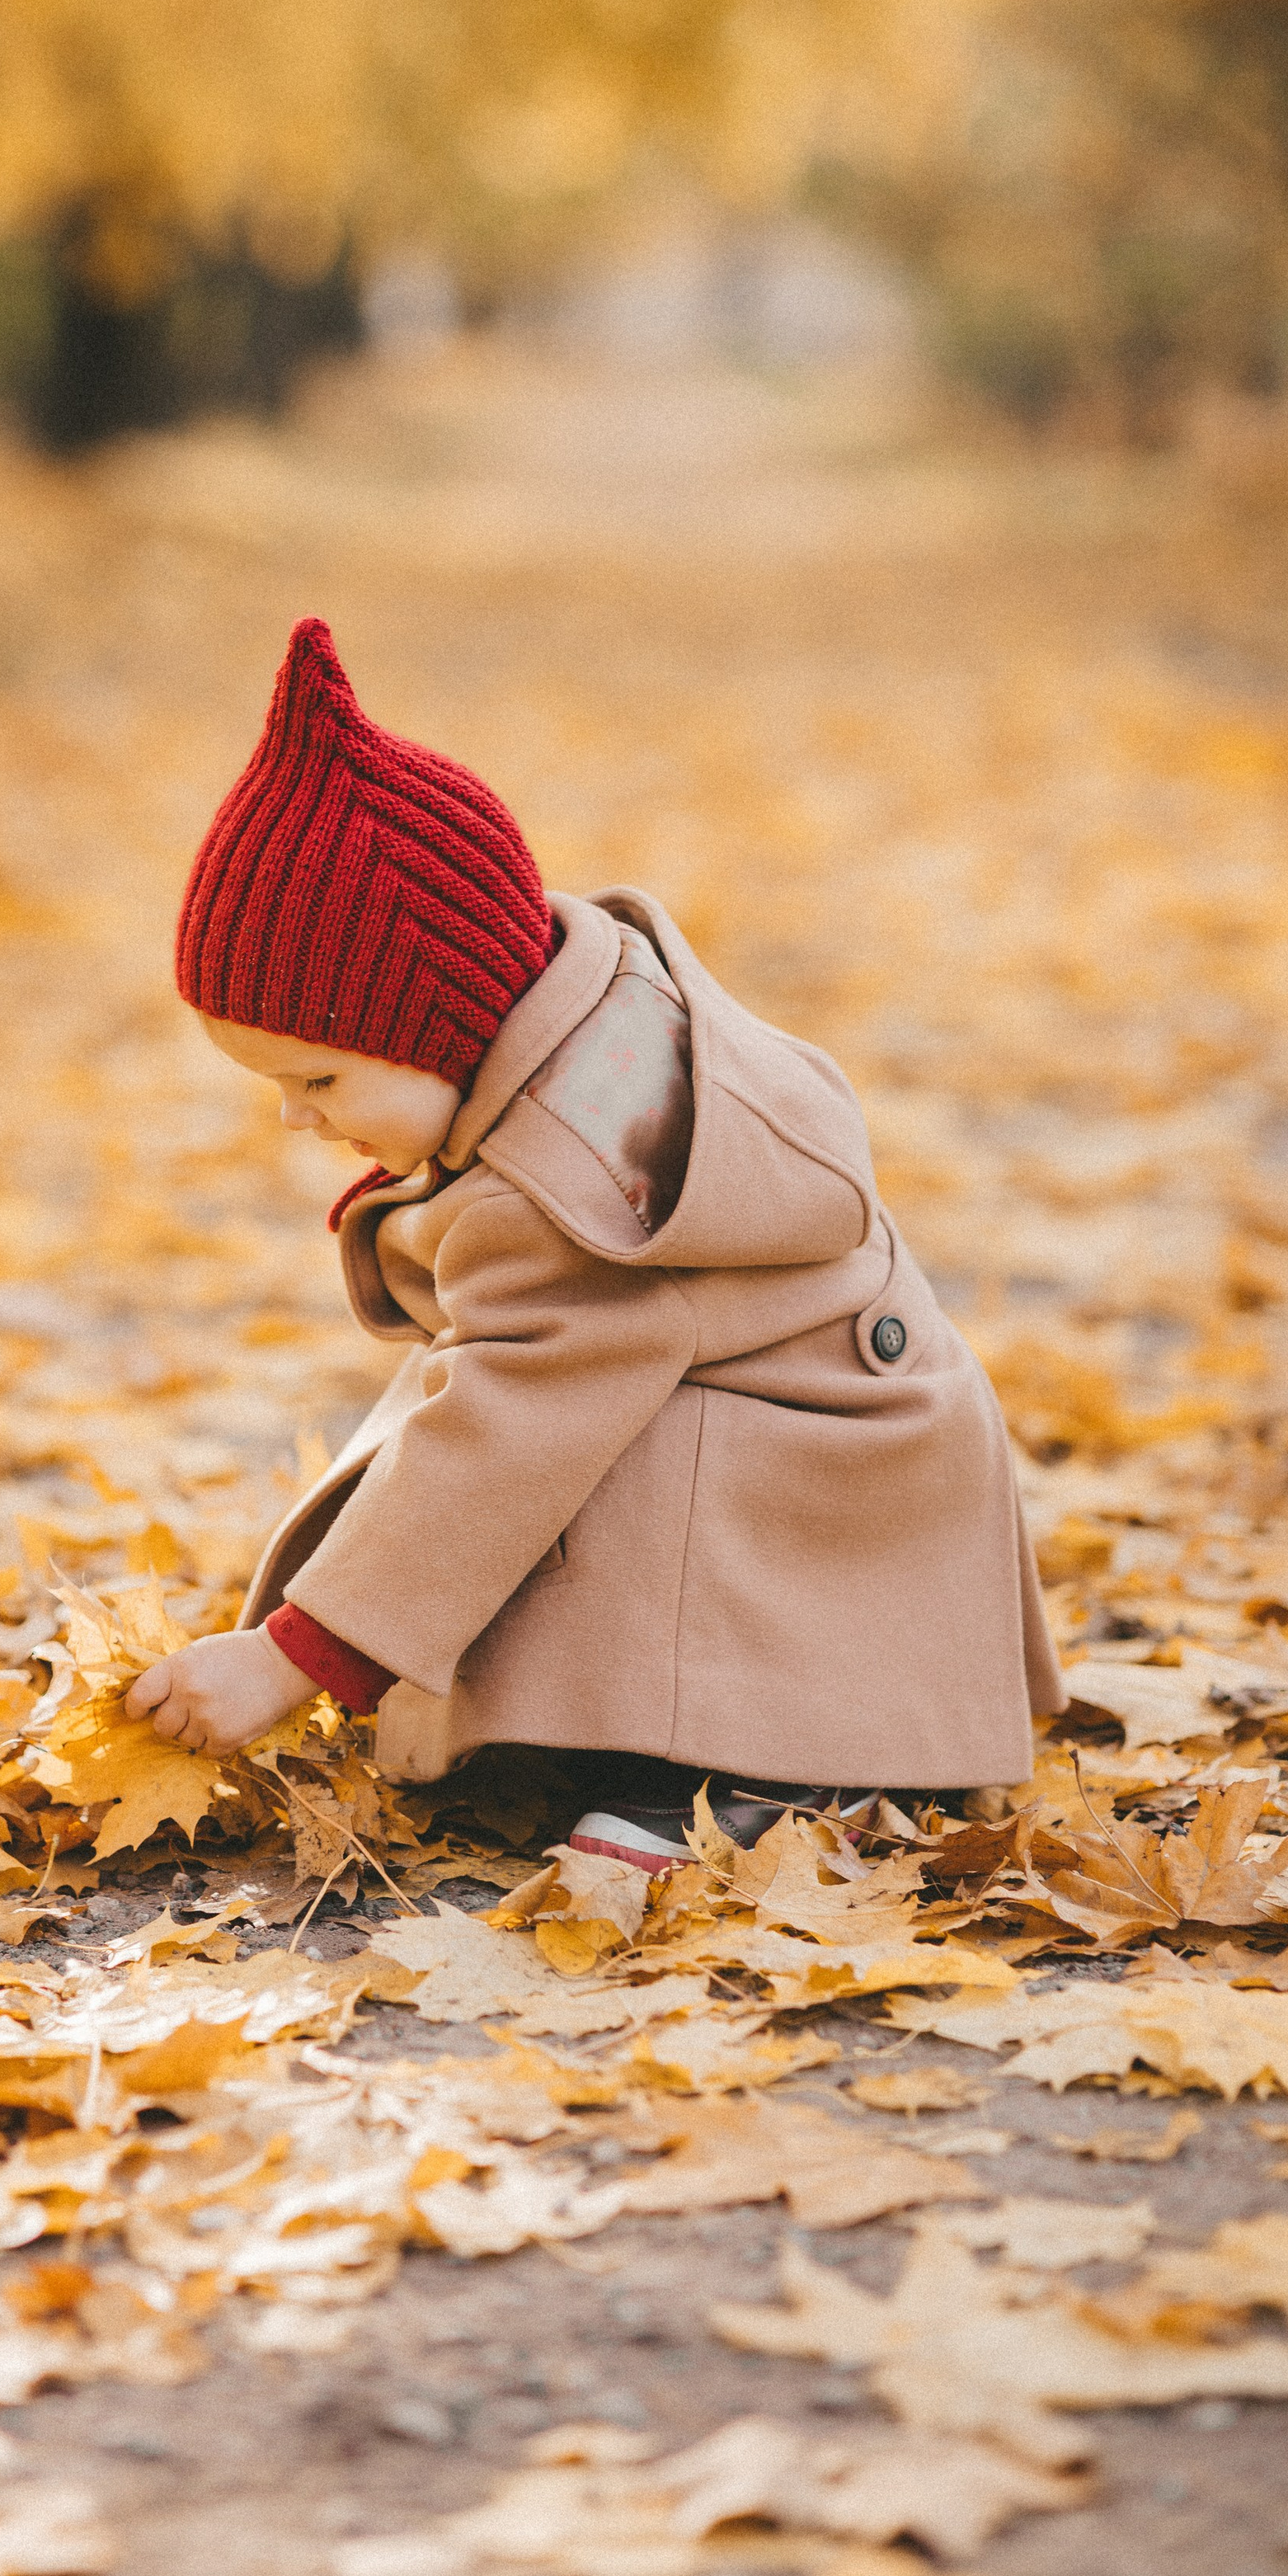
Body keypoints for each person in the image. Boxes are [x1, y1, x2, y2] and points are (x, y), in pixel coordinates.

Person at [125, 617, 1065, 1871]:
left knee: (574, 1440)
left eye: (321, 1077)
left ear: (440, 1021)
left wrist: (297, 1654)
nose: (299, 1118)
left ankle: (782, 1769)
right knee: (588, 1422)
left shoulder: (567, 1188)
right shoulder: (574, 1019)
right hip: (848, 1456)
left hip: (833, 1481)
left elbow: (499, 1443)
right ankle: (607, 1729)